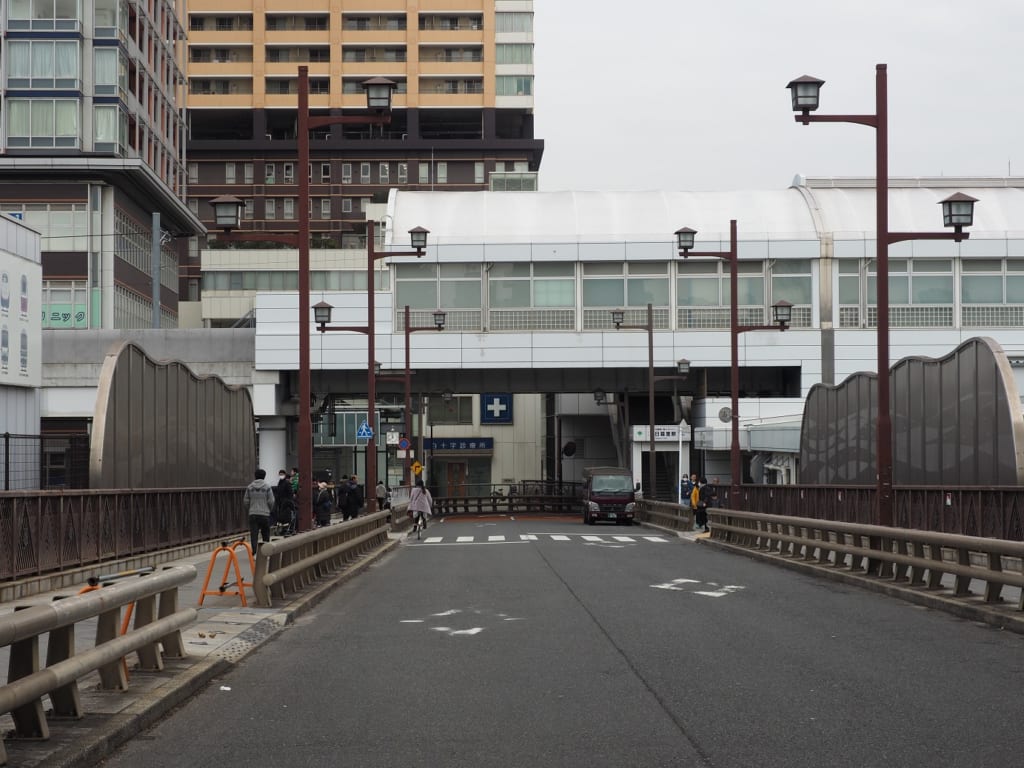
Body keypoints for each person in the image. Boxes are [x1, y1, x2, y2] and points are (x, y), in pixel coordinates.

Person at [244, 468, 275, 554]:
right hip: (265, 514)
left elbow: (246, 501)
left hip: (253, 514)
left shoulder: (250, 487)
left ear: (255, 476)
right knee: (265, 533)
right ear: (264, 476)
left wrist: (250, 509)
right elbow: (271, 501)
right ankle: (266, 552)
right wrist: (269, 509)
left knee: (254, 534)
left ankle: (254, 552)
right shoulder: (267, 487)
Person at [273, 469, 295, 534]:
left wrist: (289, 502)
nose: (281, 476)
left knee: (285, 517)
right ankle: (282, 530)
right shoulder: (280, 482)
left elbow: (290, 493)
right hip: (280, 503)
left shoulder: (287, 483)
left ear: (285, 475)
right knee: (281, 518)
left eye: (282, 474)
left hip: (286, 503)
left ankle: (285, 530)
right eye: (280, 474)